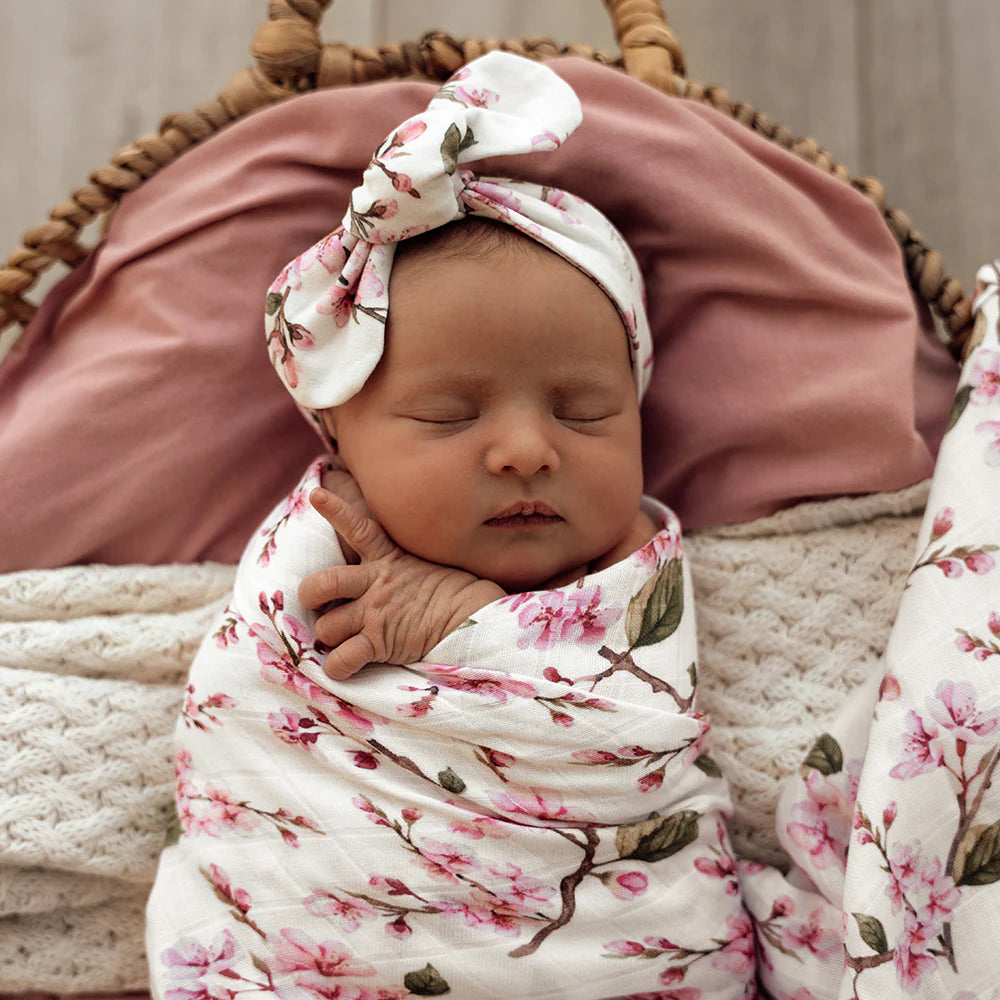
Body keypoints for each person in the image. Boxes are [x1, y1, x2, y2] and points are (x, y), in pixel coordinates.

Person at [145, 52, 751, 1000]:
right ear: (341, 435)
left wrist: (465, 624)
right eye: (448, 416)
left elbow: (633, 725)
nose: (526, 451)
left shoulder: (632, 556)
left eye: (584, 411)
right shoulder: (321, 540)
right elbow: (250, 720)